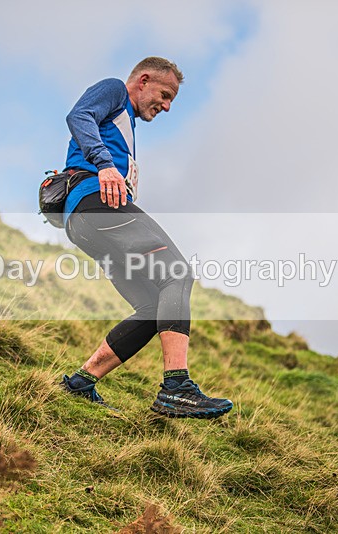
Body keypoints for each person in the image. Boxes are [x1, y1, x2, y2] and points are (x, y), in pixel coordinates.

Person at [59, 57, 233, 419]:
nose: (166, 106)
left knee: (153, 307)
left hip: (88, 223)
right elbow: (78, 115)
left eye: (171, 100)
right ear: (144, 79)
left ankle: (80, 382)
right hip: (97, 207)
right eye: (164, 94)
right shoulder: (114, 90)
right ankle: (176, 387)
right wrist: (105, 164)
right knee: (178, 275)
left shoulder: (125, 122)